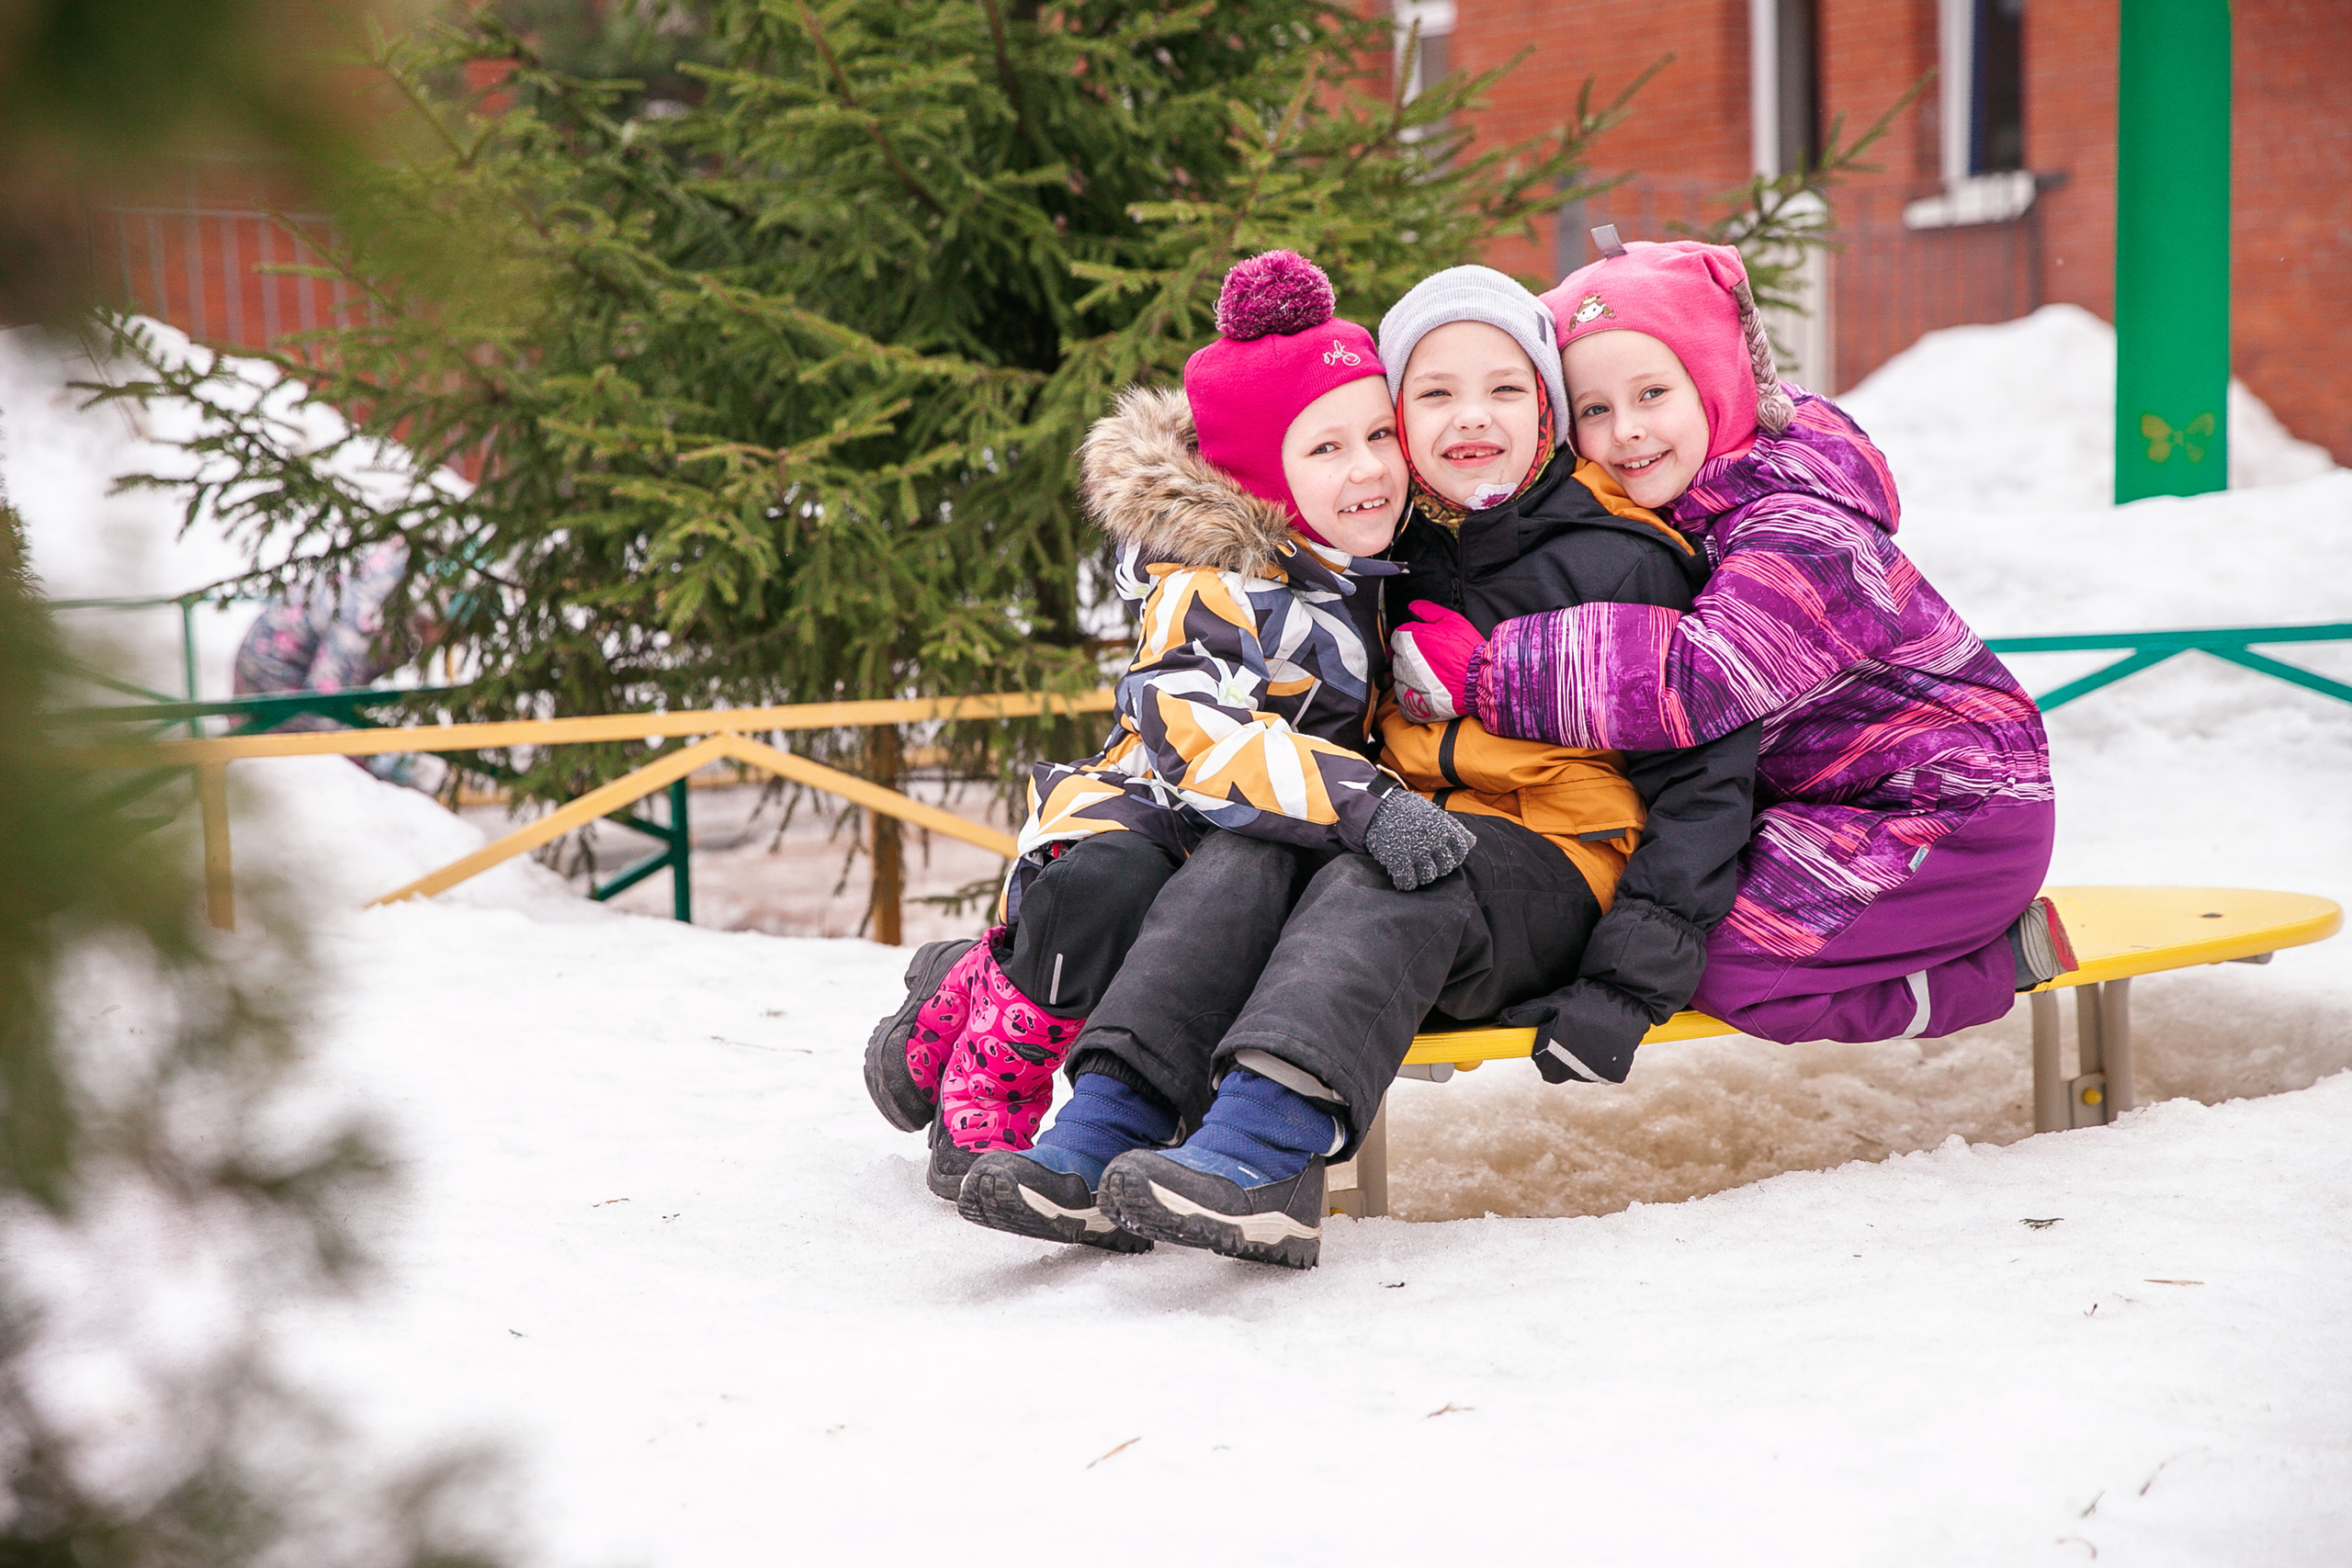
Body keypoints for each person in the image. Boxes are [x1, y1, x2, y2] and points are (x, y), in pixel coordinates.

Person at [955, 265, 1757, 1269]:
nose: (1473, 416)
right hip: (1410, 829)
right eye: (1433, 393)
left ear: (1548, 410)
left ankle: (1263, 1159)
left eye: (1506, 389)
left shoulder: (1622, 559)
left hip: (1561, 861)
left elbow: (1708, 784)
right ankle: (1102, 1132)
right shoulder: (1395, 544)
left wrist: (1627, 986)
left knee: (1397, 874)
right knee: (1250, 852)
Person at [862, 250, 1447, 1210]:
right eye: (1326, 448)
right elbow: (1195, 737)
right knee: (1104, 895)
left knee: (1217, 918)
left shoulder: (1364, 562)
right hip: (1153, 807)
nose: (1370, 467)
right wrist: (1363, 803)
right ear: (1262, 475)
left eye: (1379, 434)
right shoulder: (1210, 588)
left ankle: (973, 985)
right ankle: (986, 1065)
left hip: (1258, 836)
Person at [1390, 234, 2075, 1051]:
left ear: (1716, 385)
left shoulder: (1799, 525)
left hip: (1954, 810)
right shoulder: (1670, 510)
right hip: (1822, 809)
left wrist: (1488, 670)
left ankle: (1992, 966)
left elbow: (1704, 675)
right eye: (1596, 410)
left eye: (1652, 394)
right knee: (1666, 930)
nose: (1627, 432)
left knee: (1729, 969)